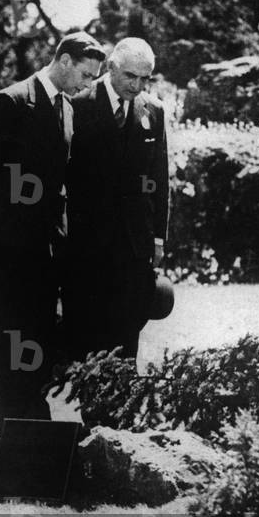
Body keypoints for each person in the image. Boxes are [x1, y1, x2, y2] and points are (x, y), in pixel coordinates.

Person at [0, 31, 105, 437]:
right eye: (85, 74)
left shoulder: (67, 108)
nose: (87, 84)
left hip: (49, 251)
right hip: (11, 250)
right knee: (13, 339)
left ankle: (35, 429)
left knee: (39, 338)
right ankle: (14, 436)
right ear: (64, 61)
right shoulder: (11, 101)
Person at [63, 37, 170, 361]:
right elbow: (60, 174)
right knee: (87, 336)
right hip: (87, 244)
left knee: (127, 336)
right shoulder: (77, 104)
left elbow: (159, 178)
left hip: (134, 246)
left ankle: (122, 392)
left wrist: (158, 238)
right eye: (130, 76)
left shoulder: (154, 111)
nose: (137, 86)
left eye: (144, 78)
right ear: (111, 68)